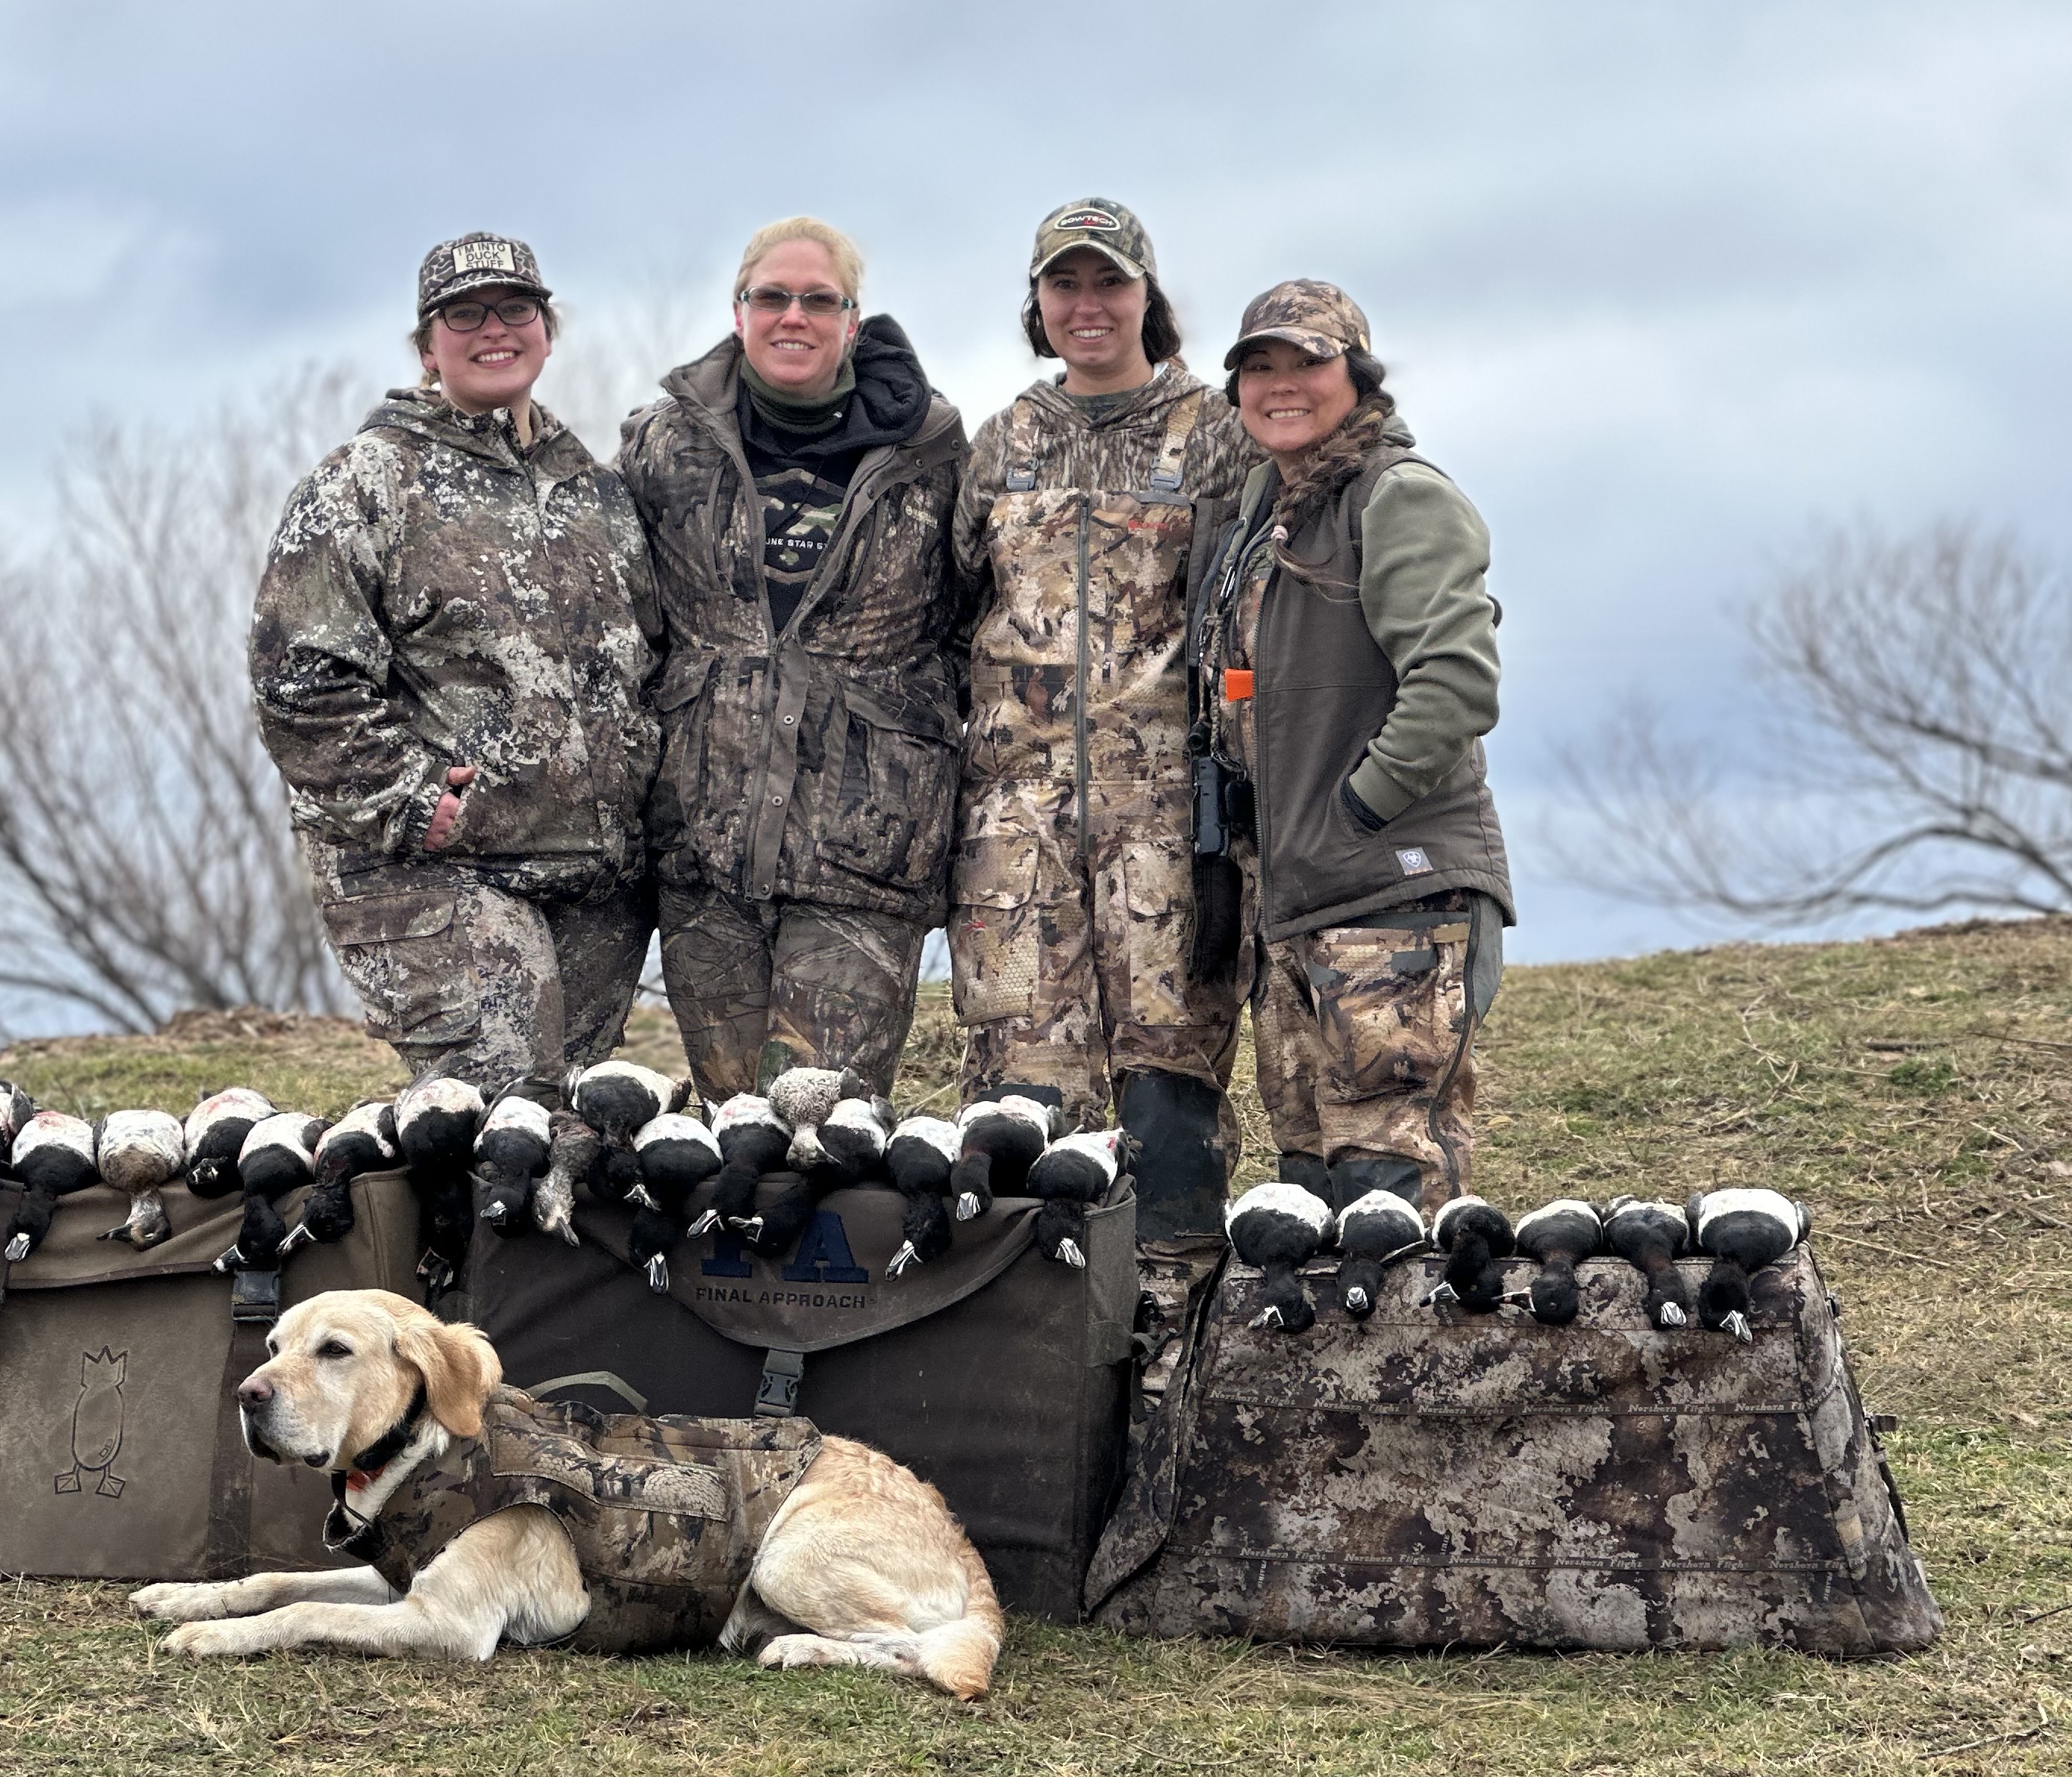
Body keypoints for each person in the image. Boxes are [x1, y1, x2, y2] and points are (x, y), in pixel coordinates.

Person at [249, 232, 661, 1098]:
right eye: (464, 314)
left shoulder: (594, 490)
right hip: (438, 877)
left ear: (547, 329)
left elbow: (645, 663)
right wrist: (413, 802)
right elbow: (299, 677)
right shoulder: (369, 482)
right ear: (427, 347)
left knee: (575, 1134)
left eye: (516, 309)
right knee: (504, 1119)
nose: (494, 330)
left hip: (591, 888)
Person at [946, 197, 1257, 1317]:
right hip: (1015, 825)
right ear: (1037, 304)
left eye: (1109, 284)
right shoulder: (1003, 441)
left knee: (1168, 1083)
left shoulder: (1212, 433)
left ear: (1146, 296)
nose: (1088, 305)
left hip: (1165, 819)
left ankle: (1174, 1335)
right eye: (1065, 286)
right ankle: (1035, 1350)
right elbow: (951, 612)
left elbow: (1244, 609)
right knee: (1026, 1089)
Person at [615, 217, 968, 1098]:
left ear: (854, 320)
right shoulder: (662, 445)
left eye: (819, 299)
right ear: (739, 312)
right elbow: (625, 622)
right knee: (732, 1125)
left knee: (822, 1128)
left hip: (863, 849)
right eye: (772, 297)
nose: (793, 317)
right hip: (703, 841)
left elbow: (972, 627)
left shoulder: (930, 454)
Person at [1190, 279, 1514, 1212]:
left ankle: (1421, 1360)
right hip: (1296, 901)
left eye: (1308, 363)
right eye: (1260, 367)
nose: (1282, 385)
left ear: (1359, 379)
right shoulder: (1265, 513)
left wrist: (1357, 811)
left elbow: (1455, 683)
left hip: (1387, 895)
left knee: (1392, 1180)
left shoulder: (1397, 498)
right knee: (1310, 1185)